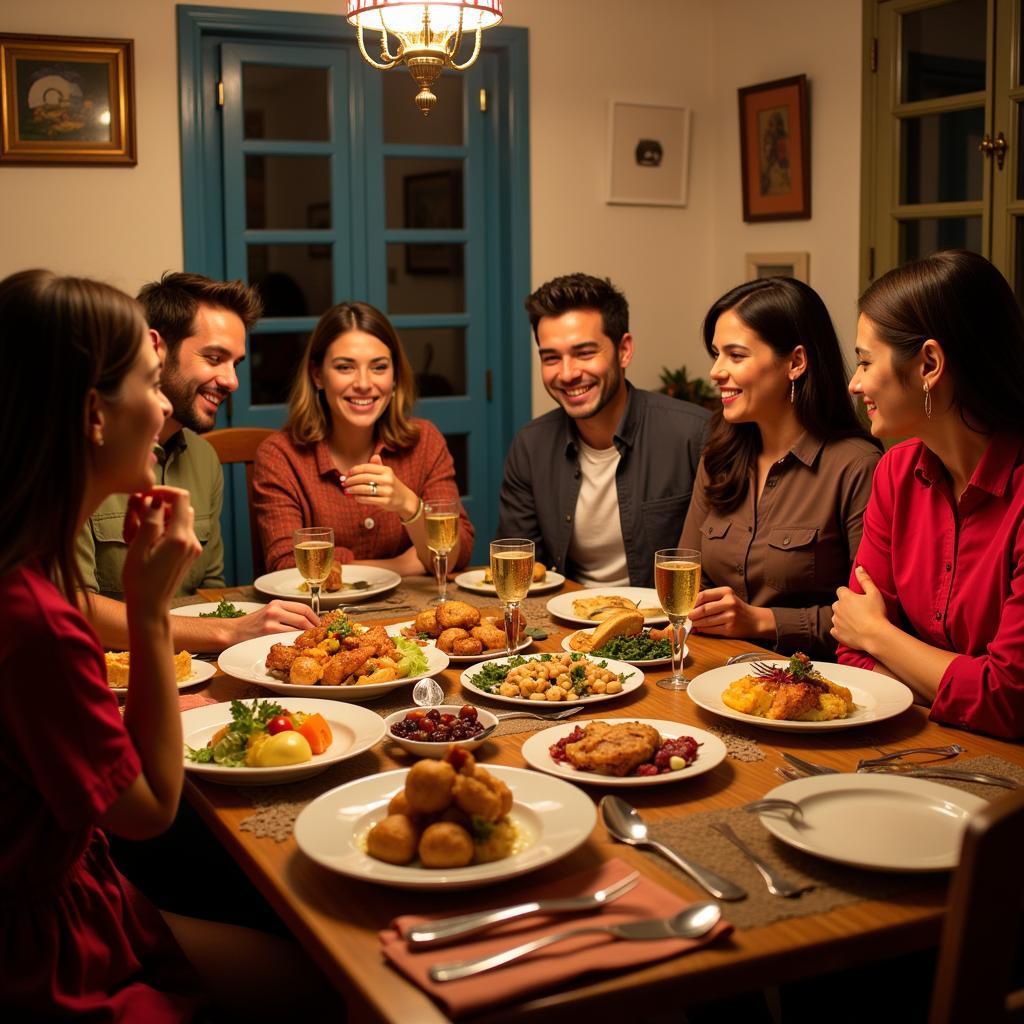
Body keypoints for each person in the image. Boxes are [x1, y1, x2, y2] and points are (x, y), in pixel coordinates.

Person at [0, 270, 340, 1020]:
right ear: (93, 414)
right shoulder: (35, 619)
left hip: (89, 885)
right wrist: (152, 613)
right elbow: (149, 808)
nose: (162, 410)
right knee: (328, 986)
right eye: (150, 385)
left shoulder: (26, 563)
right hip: (47, 952)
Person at [833, 250, 1024, 740]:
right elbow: (850, 652)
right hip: (927, 742)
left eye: (865, 361)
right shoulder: (896, 472)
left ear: (929, 364)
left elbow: (1009, 699)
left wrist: (880, 634)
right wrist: (948, 681)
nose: (855, 384)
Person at [77, 272, 318, 653]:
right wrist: (230, 632)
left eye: (236, 363)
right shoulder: (84, 455)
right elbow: (74, 608)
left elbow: (211, 592)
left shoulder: (204, 457)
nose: (231, 380)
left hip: (187, 665)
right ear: (157, 349)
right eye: (214, 358)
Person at [679, 277, 880, 657]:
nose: (716, 371)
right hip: (711, 667)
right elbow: (688, 574)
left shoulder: (856, 467)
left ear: (796, 362)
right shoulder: (718, 457)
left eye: (736, 356)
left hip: (814, 684)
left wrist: (760, 621)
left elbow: (872, 621)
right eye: (715, 354)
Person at [496, 272, 709, 587]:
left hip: (666, 626)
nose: (567, 374)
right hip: (567, 622)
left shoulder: (694, 435)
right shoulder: (531, 446)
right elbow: (525, 572)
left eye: (584, 353)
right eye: (551, 358)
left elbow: (724, 569)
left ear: (624, 350)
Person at [254, 300, 473, 573]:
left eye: (379, 367)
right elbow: (287, 566)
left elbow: (455, 554)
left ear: (394, 377)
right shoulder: (280, 456)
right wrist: (399, 565)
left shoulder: (425, 441)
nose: (364, 384)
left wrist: (407, 504)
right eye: (345, 367)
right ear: (317, 375)